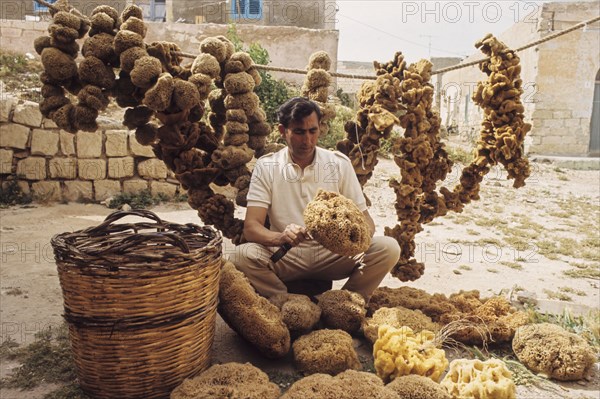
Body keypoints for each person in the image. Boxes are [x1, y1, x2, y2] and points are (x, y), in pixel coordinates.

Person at [229, 97, 400, 301]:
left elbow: (367, 221)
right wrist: (281, 237)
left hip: (332, 255)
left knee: (389, 248)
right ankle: (288, 302)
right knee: (240, 256)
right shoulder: (267, 167)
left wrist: (349, 237)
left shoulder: (338, 164)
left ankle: (342, 302)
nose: (308, 140)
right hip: (286, 254)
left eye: (313, 131)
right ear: (283, 131)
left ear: (320, 128)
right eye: (299, 132)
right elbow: (251, 227)